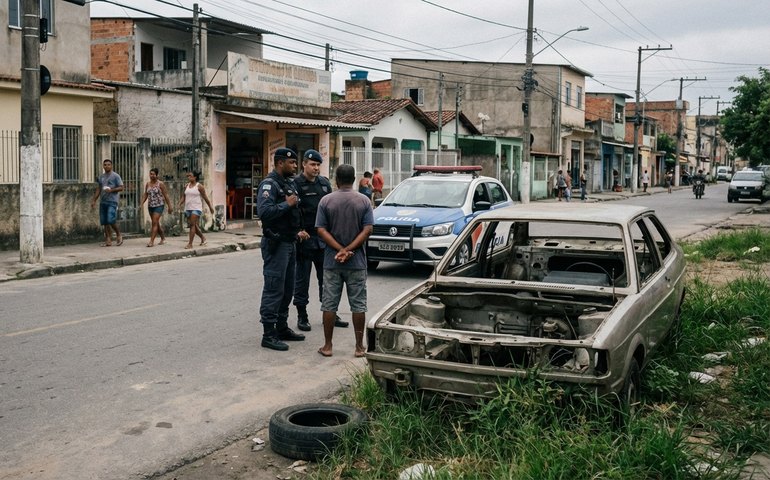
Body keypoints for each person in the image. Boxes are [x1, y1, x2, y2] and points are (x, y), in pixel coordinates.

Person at [316, 164, 374, 358]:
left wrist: (340, 249)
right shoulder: (364, 201)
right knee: (358, 305)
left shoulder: (326, 201)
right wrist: (349, 250)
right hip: (357, 262)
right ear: (355, 179)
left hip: (332, 262)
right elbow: (367, 230)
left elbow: (321, 230)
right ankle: (359, 347)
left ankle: (328, 346)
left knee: (329, 304)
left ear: (336, 180)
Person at [292, 149, 348, 332]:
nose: (316, 168)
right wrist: (298, 230)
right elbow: (293, 211)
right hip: (305, 240)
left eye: (318, 165)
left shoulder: (324, 184)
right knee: (302, 280)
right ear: (304, 164)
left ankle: (330, 313)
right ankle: (302, 315)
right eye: (312, 165)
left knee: (328, 280)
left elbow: (331, 209)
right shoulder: (296, 184)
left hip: (323, 240)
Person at [256, 147, 306, 351]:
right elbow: (264, 212)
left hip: (290, 242)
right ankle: (268, 334)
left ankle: (282, 327)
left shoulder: (288, 183)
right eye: (292, 163)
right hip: (276, 244)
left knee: (287, 288)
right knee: (274, 288)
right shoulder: (269, 184)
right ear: (279, 163)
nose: (295, 166)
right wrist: (286, 205)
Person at [91, 159, 124, 247]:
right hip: (103, 201)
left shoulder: (115, 176)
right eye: (105, 165)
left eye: (108, 164)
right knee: (105, 222)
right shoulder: (101, 177)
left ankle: (118, 234)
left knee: (110, 219)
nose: (107, 166)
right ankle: (108, 240)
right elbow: (99, 189)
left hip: (112, 201)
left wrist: (111, 190)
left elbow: (121, 187)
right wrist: (94, 200)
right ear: (103, 166)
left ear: (111, 165)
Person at [179, 170, 214, 250]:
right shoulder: (187, 185)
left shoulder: (199, 186)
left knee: (192, 225)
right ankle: (203, 238)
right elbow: (184, 196)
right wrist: (179, 203)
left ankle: (190, 244)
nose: (189, 177)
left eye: (190, 176)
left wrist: (210, 207)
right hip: (188, 208)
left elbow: (205, 197)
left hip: (196, 208)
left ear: (195, 177)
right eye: (188, 176)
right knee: (193, 225)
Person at [140, 167, 173, 247]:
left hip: (159, 205)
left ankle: (151, 241)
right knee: (156, 223)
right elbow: (145, 194)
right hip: (150, 206)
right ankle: (163, 238)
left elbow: (166, 195)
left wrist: (169, 206)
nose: (152, 176)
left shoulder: (160, 184)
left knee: (154, 223)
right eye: (150, 174)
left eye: (153, 174)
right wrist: (141, 203)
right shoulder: (147, 184)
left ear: (157, 175)